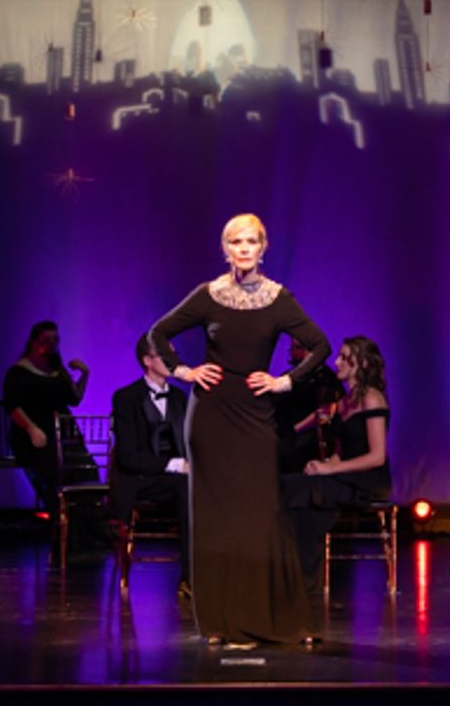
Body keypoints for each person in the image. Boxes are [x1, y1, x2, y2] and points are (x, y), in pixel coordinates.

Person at [149, 213, 330, 648]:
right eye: (236, 242)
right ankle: (220, 622)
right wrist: (184, 371)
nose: (244, 248)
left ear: (263, 248)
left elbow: (320, 346)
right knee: (215, 519)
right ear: (225, 249)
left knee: (258, 512)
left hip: (254, 414)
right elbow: (158, 333)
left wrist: (284, 381)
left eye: (251, 241)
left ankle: (260, 618)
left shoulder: (278, 298)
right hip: (211, 413)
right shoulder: (209, 295)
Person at [280, 336, 392, 593]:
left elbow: (376, 456)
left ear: (362, 363)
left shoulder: (372, 398)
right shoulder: (343, 403)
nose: (337, 362)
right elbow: (342, 453)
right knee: (290, 484)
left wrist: (330, 469)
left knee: (310, 495)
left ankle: (306, 581)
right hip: (347, 475)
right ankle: (295, 573)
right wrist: (321, 465)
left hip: (369, 480)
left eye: (344, 358)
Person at [109, 336, 191, 594]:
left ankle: (201, 572)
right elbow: (129, 457)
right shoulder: (126, 398)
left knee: (198, 486)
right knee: (185, 486)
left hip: (173, 479)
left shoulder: (179, 397)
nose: (173, 361)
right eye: (166, 354)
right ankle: (191, 577)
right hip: (139, 478)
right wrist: (174, 464)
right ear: (147, 360)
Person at [2, 321, 90, 515]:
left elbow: (74, 399)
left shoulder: (57, 370)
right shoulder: (19, 372)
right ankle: (60, 517)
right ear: (33, 342)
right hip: (36, 433)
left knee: (85, 469)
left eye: (55, 341)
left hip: (64, 432)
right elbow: (13, 406)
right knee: (54, 472)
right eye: (46, 341)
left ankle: (85, 521)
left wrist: (84, 374)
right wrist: (31, 428)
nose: (51, 345)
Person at [274, 337, 345, 474]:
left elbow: (327, 411)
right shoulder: (289, 377)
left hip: (308, 442)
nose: (292, 352)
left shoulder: (326, 378)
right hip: (287, 438)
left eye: (297, 347)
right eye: (292, 347)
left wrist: (295, 429)